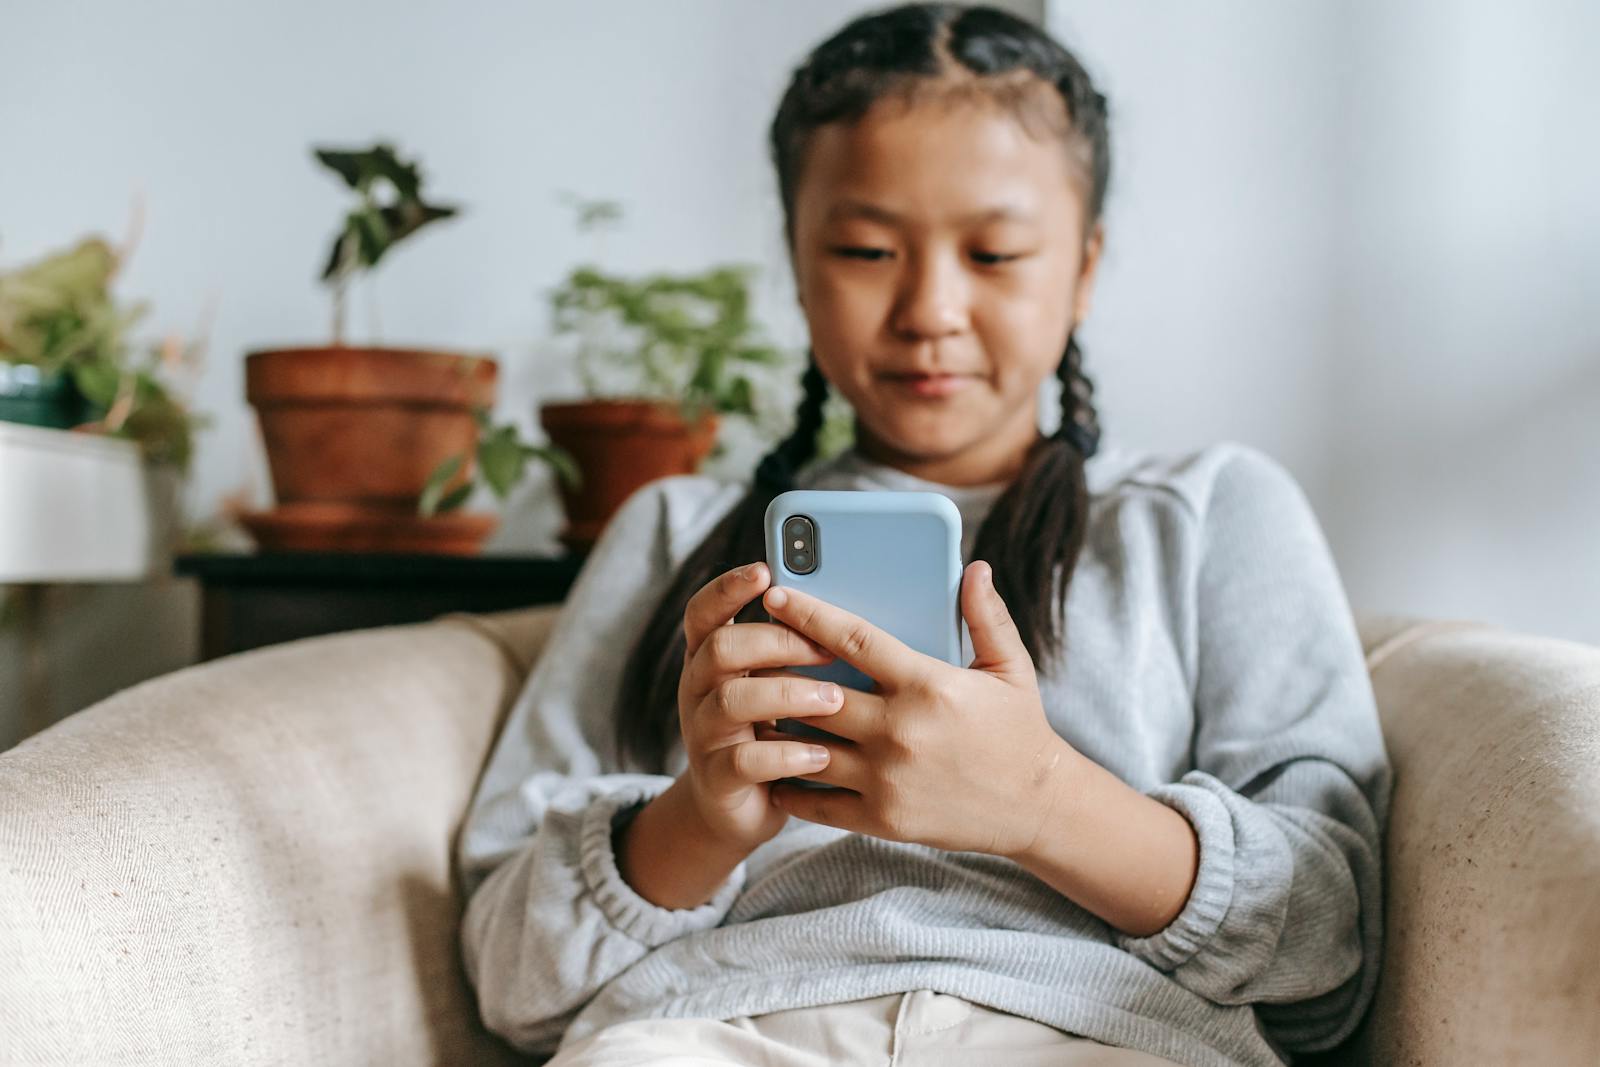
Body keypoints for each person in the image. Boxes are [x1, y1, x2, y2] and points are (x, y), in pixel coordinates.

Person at [456, 5, 1391, 1065]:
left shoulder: (1211, 512)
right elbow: (506, 971)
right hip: (713, 1026)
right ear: (798, 263)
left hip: (1090, 1034)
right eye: (864, 248)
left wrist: (1041, 800)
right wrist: (697, 821)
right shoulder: (677, 530)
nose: (929, 308)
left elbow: (1332, 944)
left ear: (1082, 267)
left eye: (993, 252)